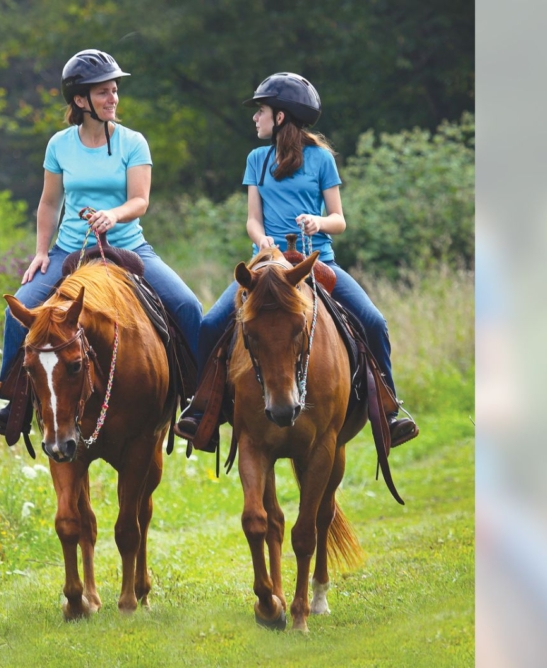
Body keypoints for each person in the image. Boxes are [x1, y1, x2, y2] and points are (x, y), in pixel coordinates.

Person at [176, 72, 417, 447]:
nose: (256, 118)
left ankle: (388, 410)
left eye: (262, 111)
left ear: (282, 116)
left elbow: (339, 219)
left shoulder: (321, 160)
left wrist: (317, 221)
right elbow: (252, 219)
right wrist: (261, 238)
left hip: (317, 264)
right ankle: (201, 408)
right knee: (209, 324)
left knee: (373, 320)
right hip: (266, 267)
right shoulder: (257, 159)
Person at [0, 49, 201, 434]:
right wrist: (40, 252)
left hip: (129, 247)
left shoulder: (134, 142)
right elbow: (49, 203)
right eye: (103, 92)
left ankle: (199, 404)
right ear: (80, 100)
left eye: (114, 90)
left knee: (187, 305)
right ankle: (12, 400)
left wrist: (113, 215)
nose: (113, 98)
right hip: (70, 249)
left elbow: (140, 200)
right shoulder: (59, 145)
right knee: (19, 312)